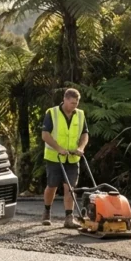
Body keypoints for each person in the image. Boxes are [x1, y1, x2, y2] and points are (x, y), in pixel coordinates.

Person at [41, 88, 89, 229]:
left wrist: (81, 147)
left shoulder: (80, 115)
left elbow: (85, 134)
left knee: (70, 188)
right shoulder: (52, 113)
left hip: (73, 158)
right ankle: (47, 211)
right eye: (72, 103)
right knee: (52, 187)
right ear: (65, 99)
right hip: (54, 157)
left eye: (76, 103)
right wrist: (58, 148)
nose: (74, 105)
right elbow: (45, 135)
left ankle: (69, 218)